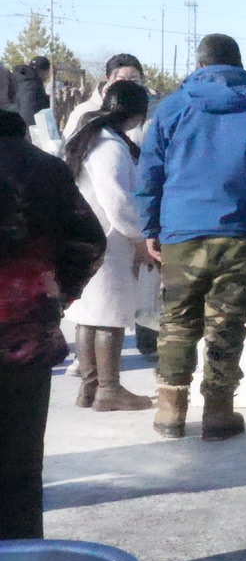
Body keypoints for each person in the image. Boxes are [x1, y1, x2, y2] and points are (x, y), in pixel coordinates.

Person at [136, 33, 246, 441]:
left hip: (181, 229)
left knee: (177, 320)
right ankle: (219, 413)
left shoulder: (172, 107)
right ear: (238, 64)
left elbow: (150, 172)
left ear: (200, 64)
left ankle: (170, 411)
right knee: (227, 321)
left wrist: (149, 226)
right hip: (242, 230)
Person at [0, 110, 106, 539]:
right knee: (19, 466)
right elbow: (89, 240)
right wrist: (58, 294)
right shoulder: (44, 167)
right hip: (25, 336)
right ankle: (21, 552)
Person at [61, 80, 155, 412]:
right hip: (109, 239)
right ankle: (109, 389)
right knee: (109, 316)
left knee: (89, 314)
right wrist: (139, 238)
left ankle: (90, 387)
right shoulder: (109, 146)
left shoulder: (90, 137)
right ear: (136, 114)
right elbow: (117, 200)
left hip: (88, 235)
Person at [64, 53, 147, 139]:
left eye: (134, 81)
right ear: (108, 79)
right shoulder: (83, 111)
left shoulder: (151, 111)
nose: (128, 87)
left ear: (142, 79)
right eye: (121, 81)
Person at [12, 56, 52, 126]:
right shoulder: (33, 86)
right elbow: (28, 112)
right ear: (44, 71)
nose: (48, 76)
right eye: (48, 72)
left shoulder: (19, 81)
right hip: (25, 128)